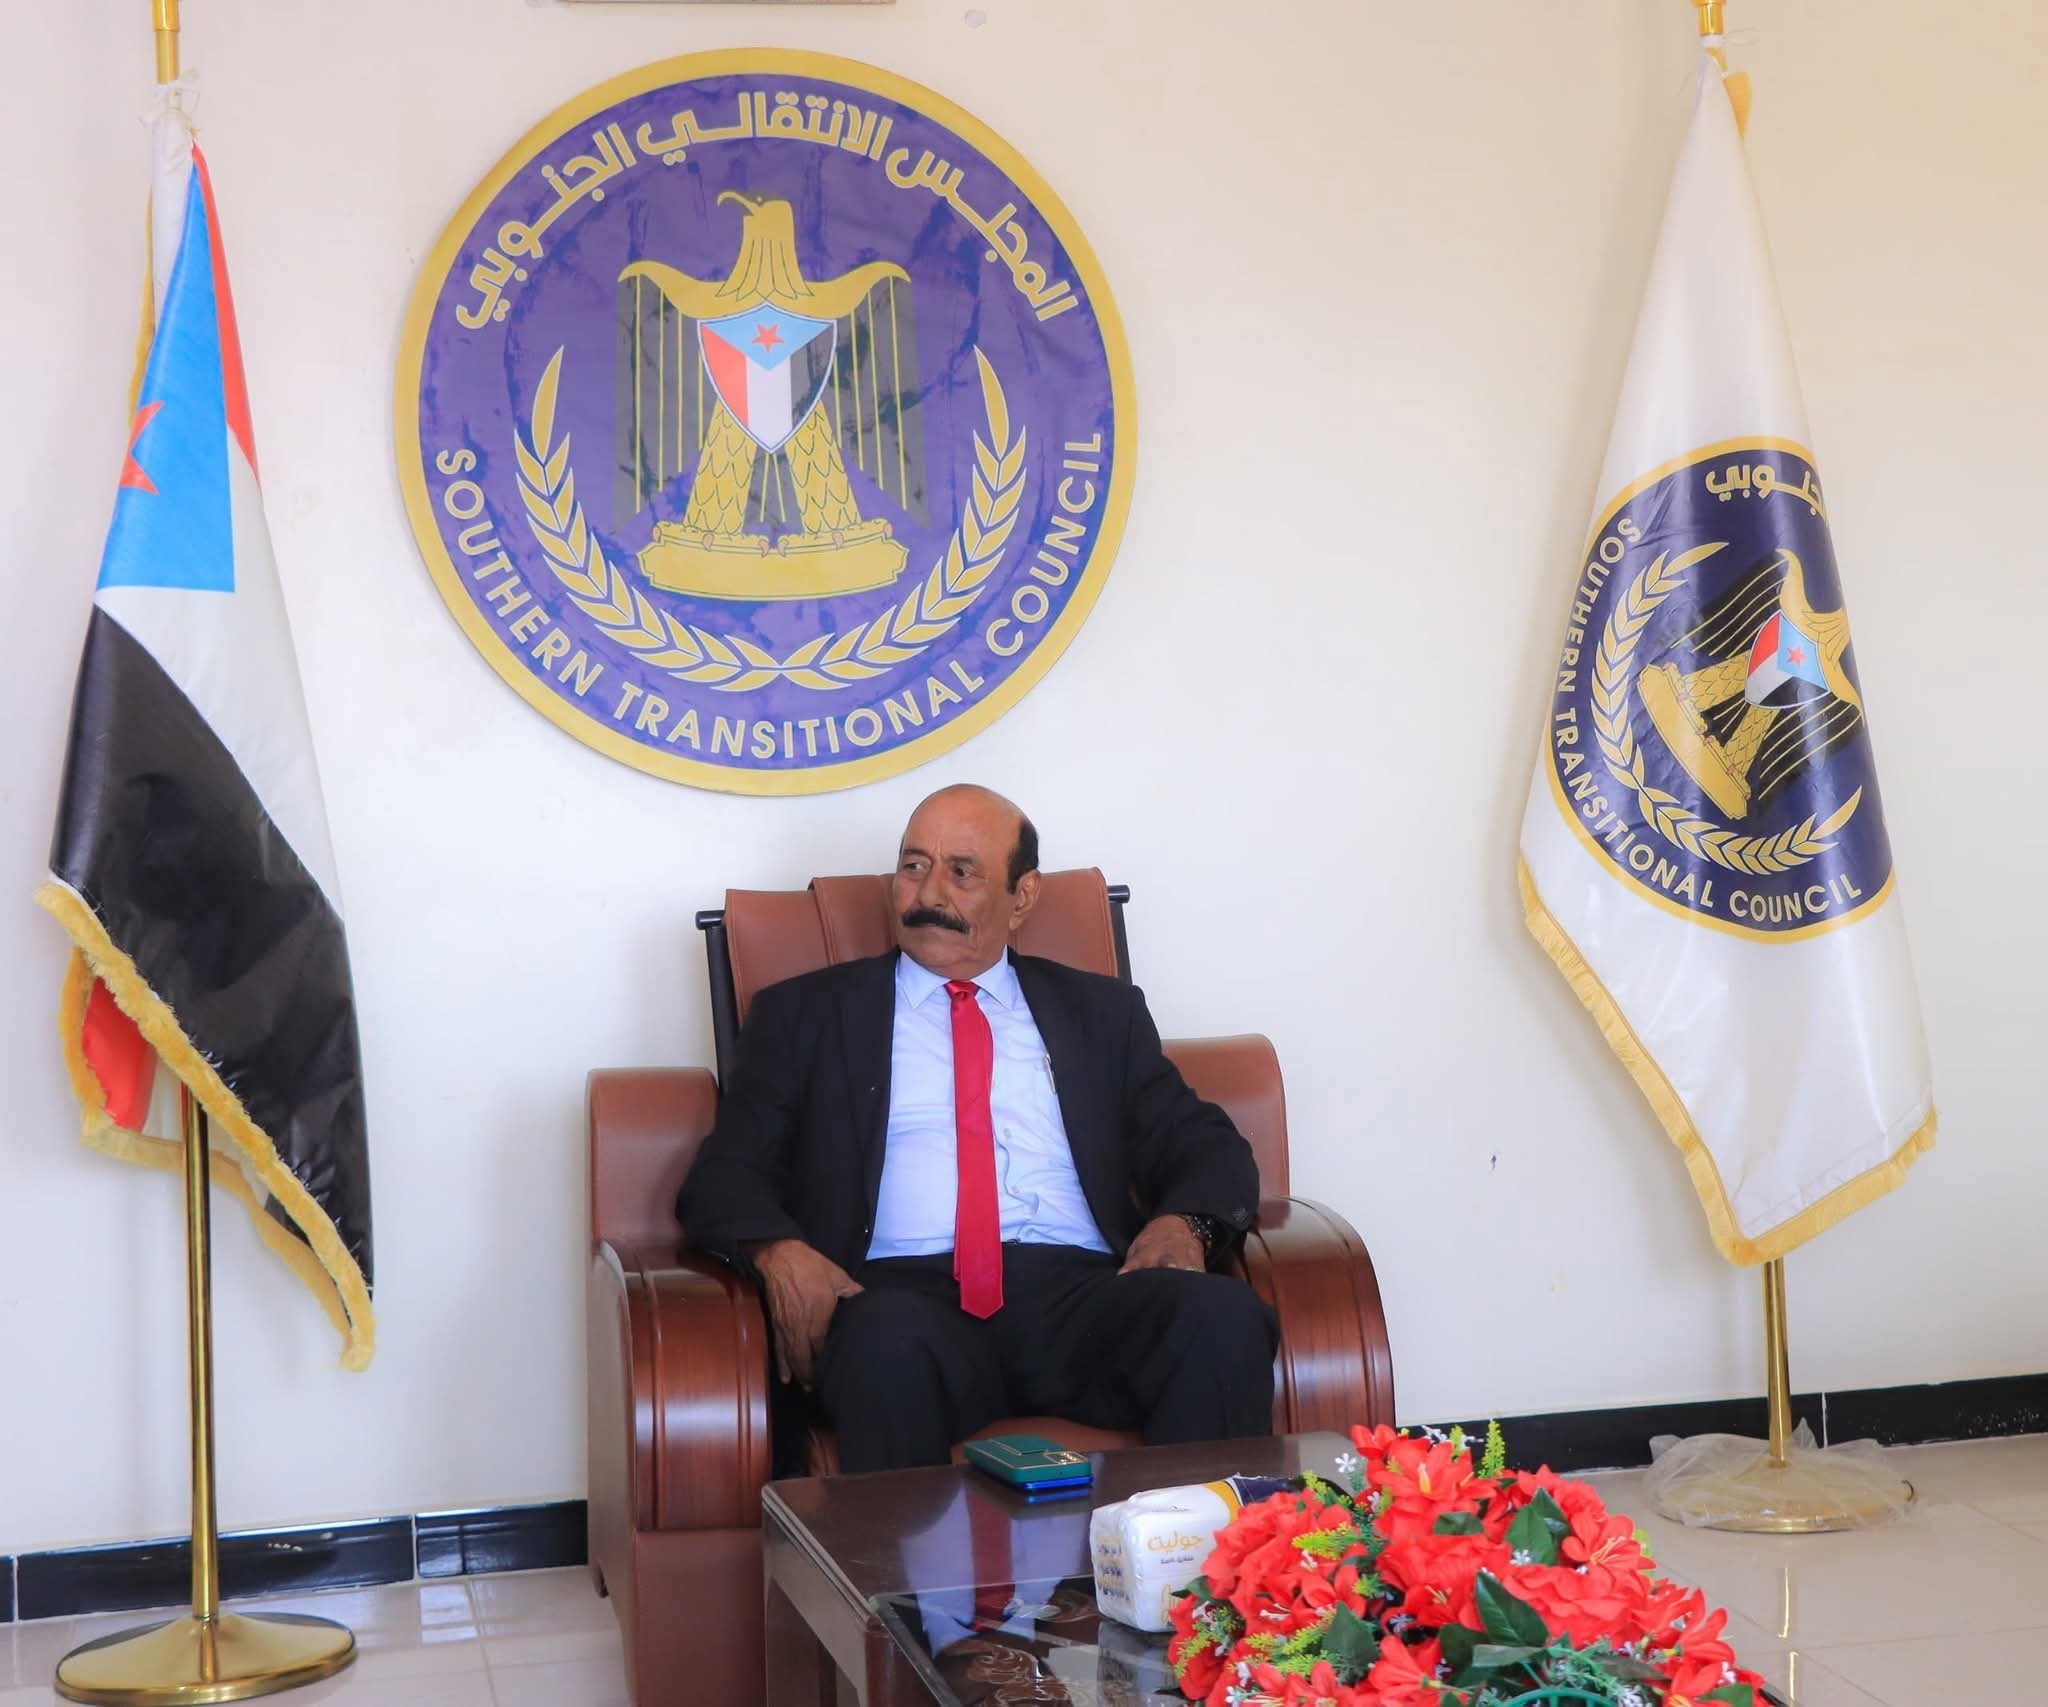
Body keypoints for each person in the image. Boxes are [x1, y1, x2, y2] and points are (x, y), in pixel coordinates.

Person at [677, 784, 1277, 1471]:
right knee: (882, 1342)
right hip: (901, 1295)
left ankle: (1200, 1546)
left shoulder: (1100, 1014)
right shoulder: (804, 1016)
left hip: (1081, 1296)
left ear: (1023, 897)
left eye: (962, 873)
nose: (929, 893)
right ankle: (904, 1552)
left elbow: (1203, 1143)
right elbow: (725, 1173)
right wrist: (778, 1253)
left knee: (1220, 1317)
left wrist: (1187, 1225)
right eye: (914, 865)